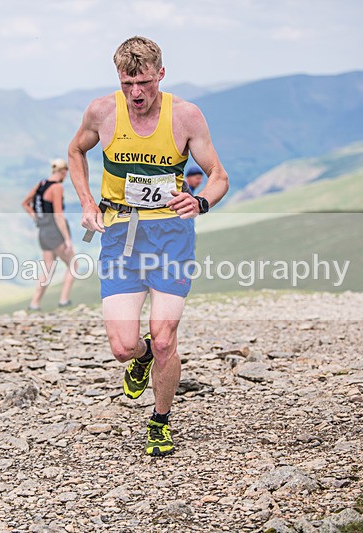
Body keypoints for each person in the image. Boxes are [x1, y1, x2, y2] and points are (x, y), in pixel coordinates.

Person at [68, 36, 229, 455]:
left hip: (171, 237)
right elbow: (75, 152)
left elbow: (218, 175)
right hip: (120, 236)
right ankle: (140, 360)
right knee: (124, 348)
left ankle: (160, 420)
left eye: (143, 82)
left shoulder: (187, 117)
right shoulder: (102, 112)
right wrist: (87, 202)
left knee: (164, 339)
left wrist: (200, 201)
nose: (136, 93)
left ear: (160, 74)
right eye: (127, 84)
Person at [22, 158, 77, 310]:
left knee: (48, 269)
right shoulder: (57, 188)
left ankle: (34, 304)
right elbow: (59, 215)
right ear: (63, 172)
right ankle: (64, 301)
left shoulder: (41, 184)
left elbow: (25, 203)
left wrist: (36, 217)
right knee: (73, 265)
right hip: (55, 232)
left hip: (43, 232)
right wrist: (67, 240)